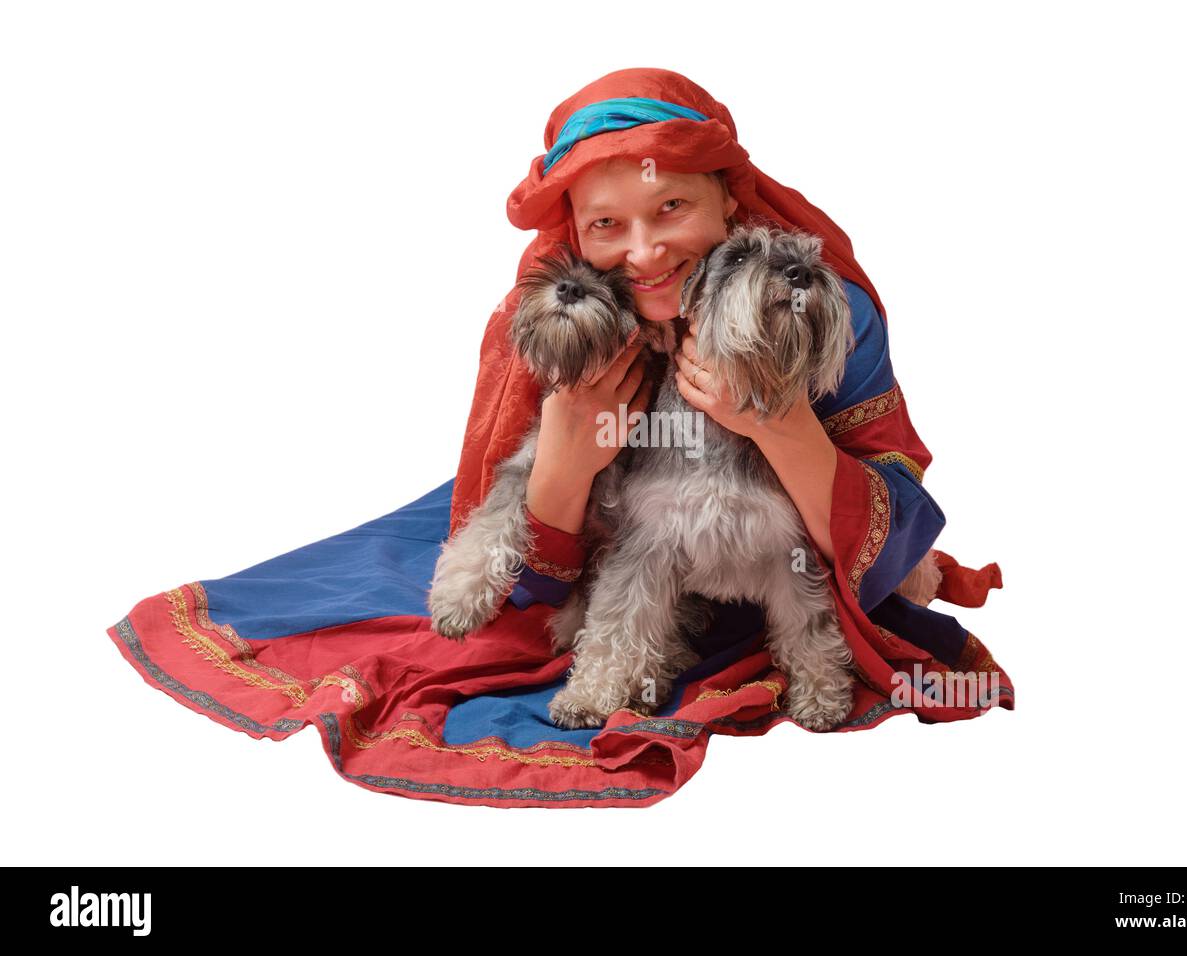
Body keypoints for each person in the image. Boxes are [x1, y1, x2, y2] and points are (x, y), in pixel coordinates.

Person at [106, 68, 1013, 809]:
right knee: (483, 636)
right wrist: (572, 461)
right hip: (598, 533)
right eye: (606, 226)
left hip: (791, 540)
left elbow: (892, 531)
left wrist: (778, 428)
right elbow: (540, 567)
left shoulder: (820, 310)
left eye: (672, 212)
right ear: (575, 240)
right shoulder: (571, 324)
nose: (646, 253)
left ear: (731, 209)